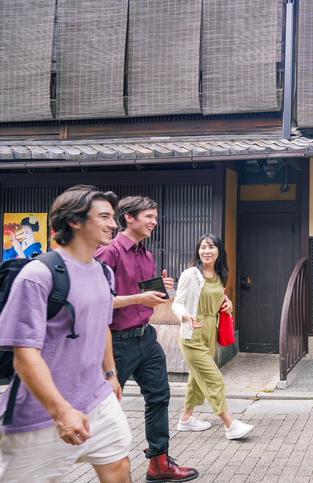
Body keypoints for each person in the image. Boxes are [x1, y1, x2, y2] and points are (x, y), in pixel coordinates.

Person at [0, 185, 132, 482]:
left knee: (118, 468)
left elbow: (101, 325)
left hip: (97, 398)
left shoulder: (103, 271)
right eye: (105, 217)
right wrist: (61, 411)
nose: (113, 225)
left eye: (114, 217)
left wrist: (110, 375)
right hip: (42, 412)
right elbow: (24, 356)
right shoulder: (38, 275)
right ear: (74, 221)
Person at [95, 197, 198, 482]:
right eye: (149, 216)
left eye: (155, 217)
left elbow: (142, 297)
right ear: (129, 217)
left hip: (146, 338)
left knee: (159, 397)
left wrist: (158, 290)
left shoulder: (147, 255)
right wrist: (139, 297)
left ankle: (159, 462)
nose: (155, 221)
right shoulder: (108, 252)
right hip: (115, 342)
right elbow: (98, 301)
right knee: (107, 404)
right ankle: (107, 465)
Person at [172, 234, 253, 441]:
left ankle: (186, 420)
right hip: (192, 332)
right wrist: (185, 316)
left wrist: (228, 303)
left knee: (196, 379)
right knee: (213, 378)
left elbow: (218, 296)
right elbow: (177, 302)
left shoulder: (219, 274)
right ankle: (230, 424)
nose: (206, 251)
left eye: (211, 247)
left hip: (210, 331)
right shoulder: (191, 274)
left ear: (219, 252)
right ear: (198, 251)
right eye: (202, 247)